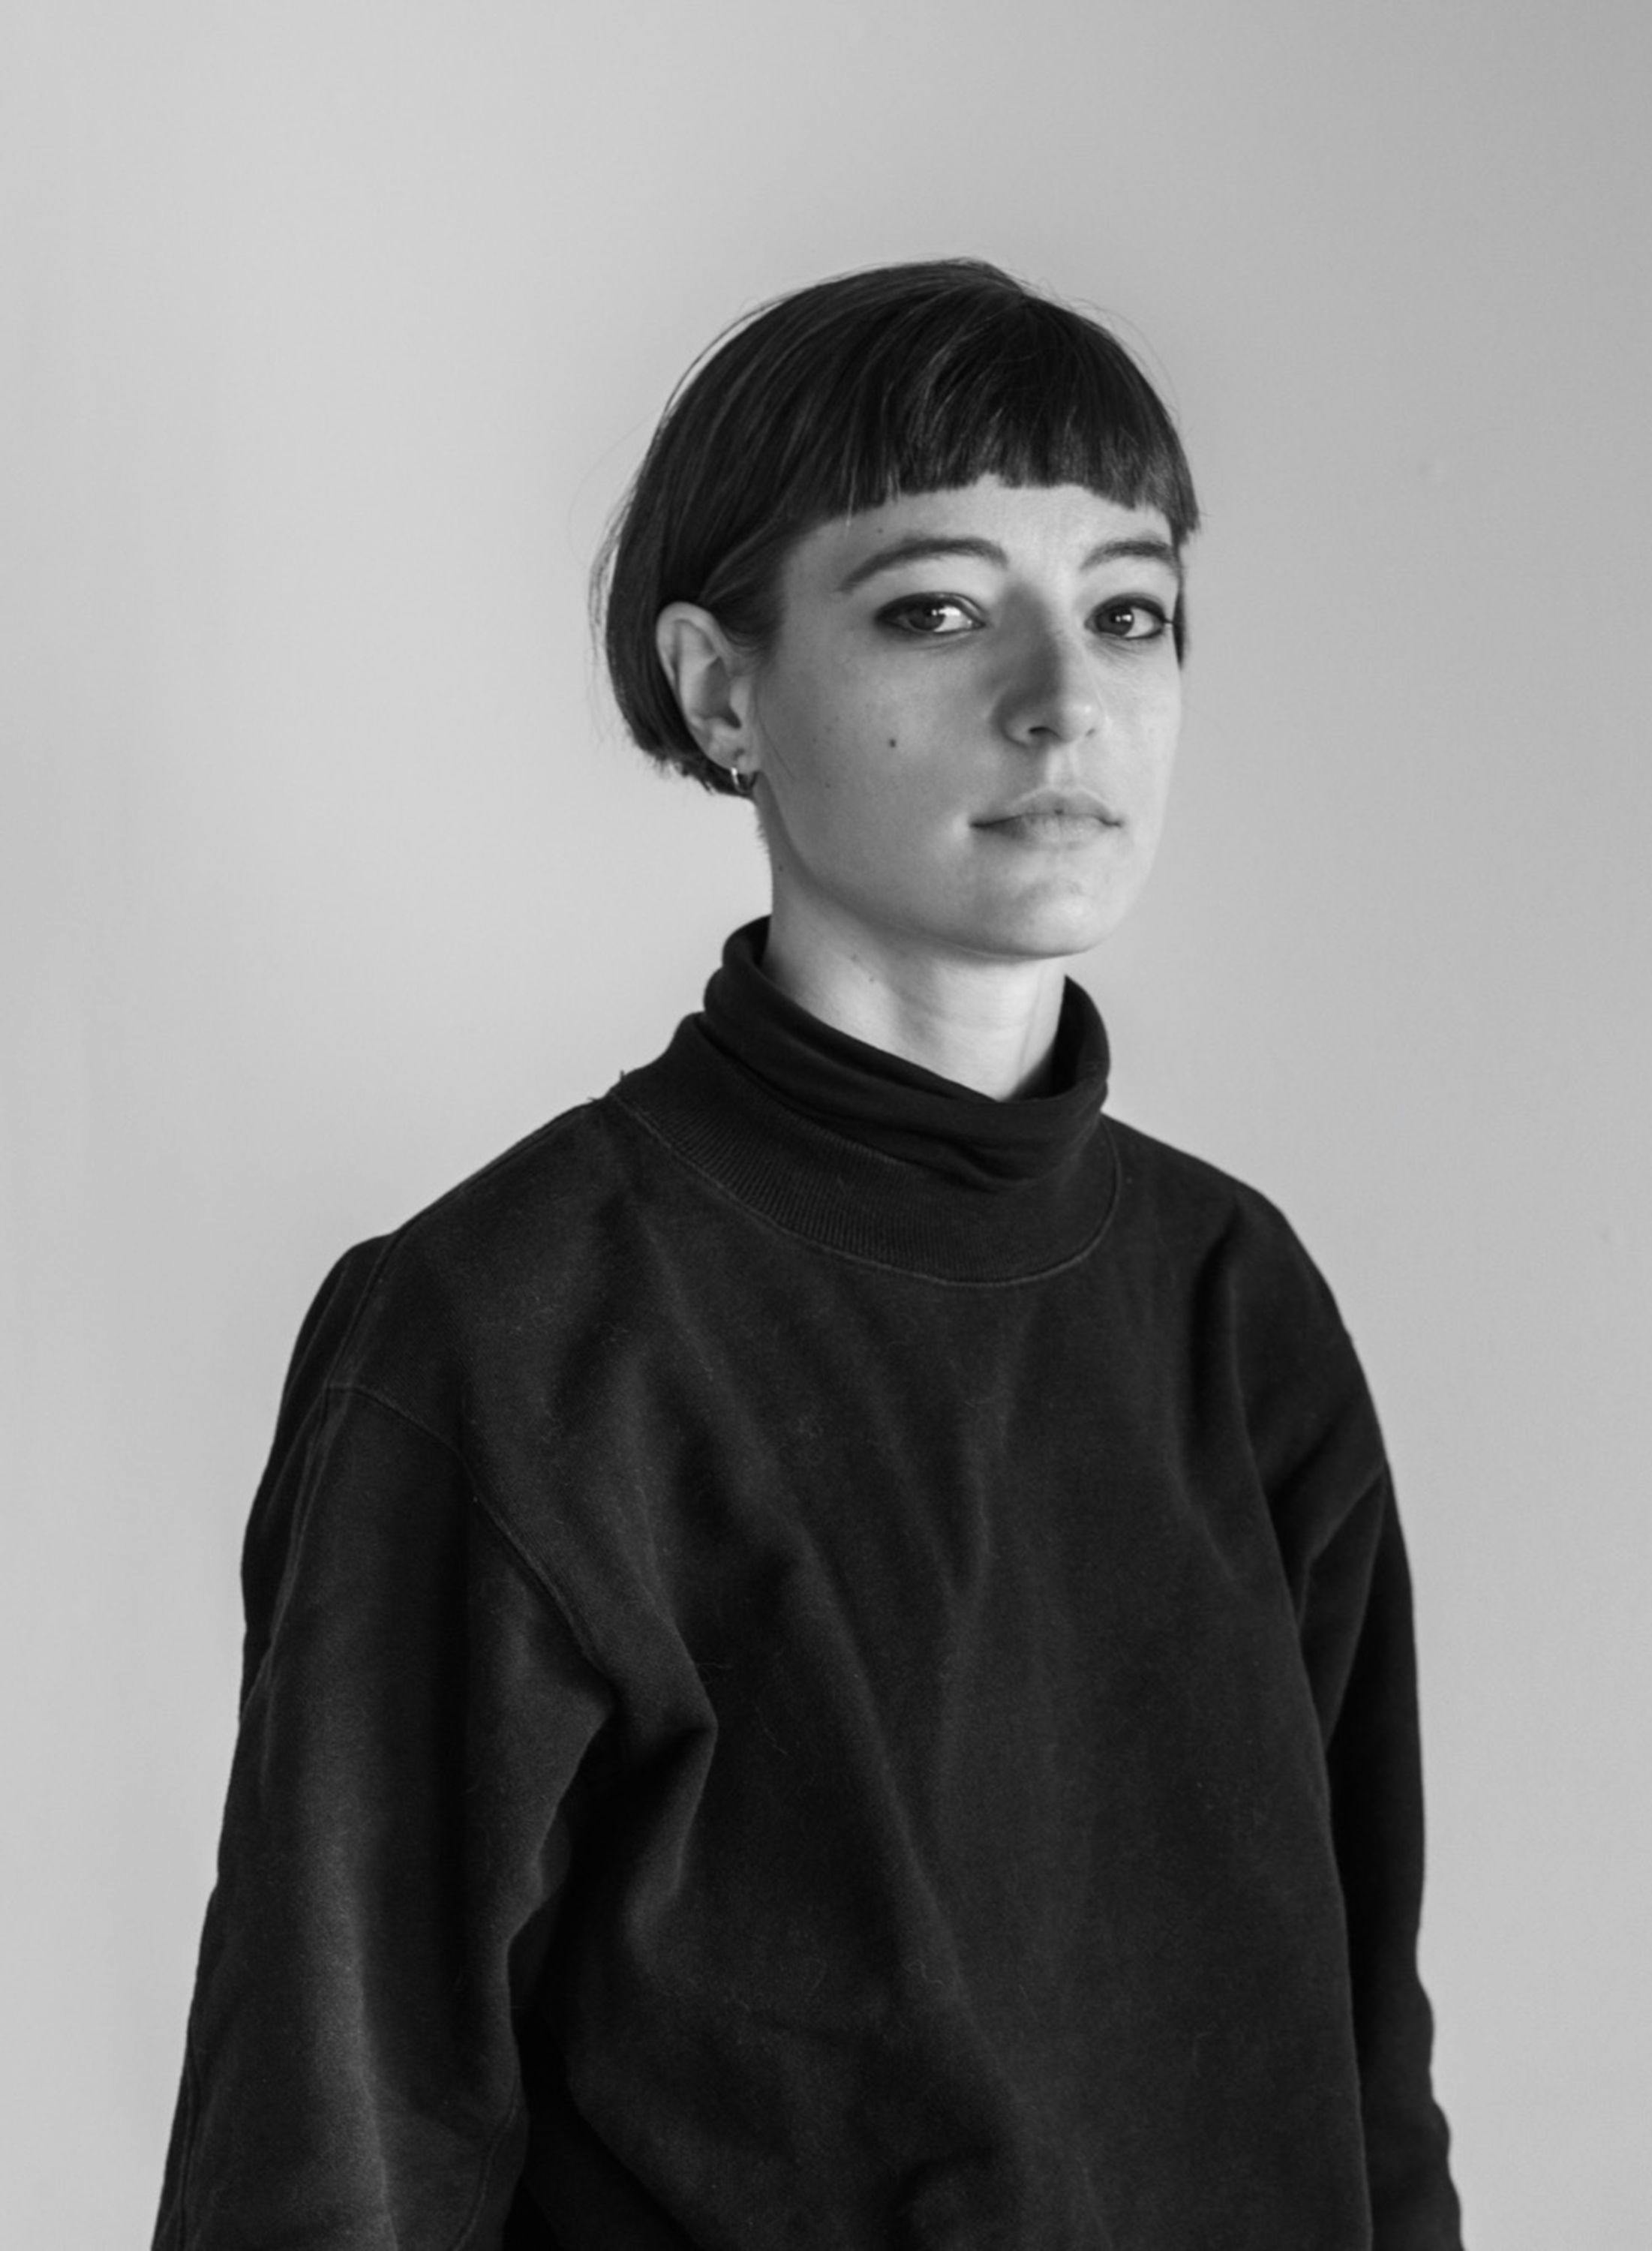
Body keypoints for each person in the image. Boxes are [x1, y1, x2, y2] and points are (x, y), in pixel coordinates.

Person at [153, 258, 1464, 2249]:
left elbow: (1363, 2094)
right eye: (935, 610)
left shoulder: (1233, 1306)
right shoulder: (505, 1340)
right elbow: (331, 2159)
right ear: (719, 687)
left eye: (1129, 612)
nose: (1063, 700)